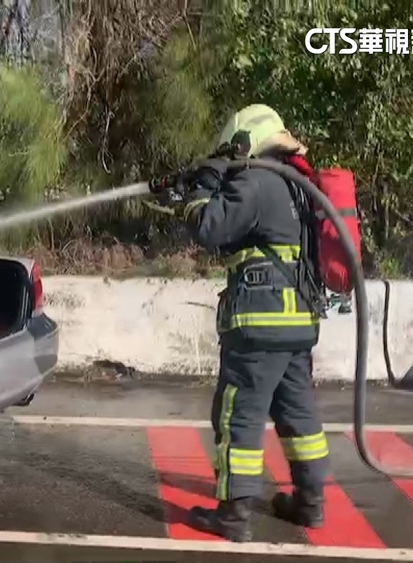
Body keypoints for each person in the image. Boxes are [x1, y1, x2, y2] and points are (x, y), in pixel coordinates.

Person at [151, 104, 330, 542]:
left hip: (259, 324)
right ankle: (310, 503)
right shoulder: (299, 187)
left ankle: (233, 516)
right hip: (298, 324)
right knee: (298, 413)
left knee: (238, 416)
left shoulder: (257, 181)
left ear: (245, 144)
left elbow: (211, 226)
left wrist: (202, 189)